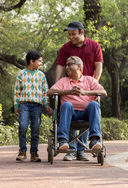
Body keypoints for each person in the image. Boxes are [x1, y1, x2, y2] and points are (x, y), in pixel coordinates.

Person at [55, 21, 103, 161]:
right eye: (69, 35)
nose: (70, 37)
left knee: (88, 114)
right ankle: (71, 149)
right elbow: (59, 66)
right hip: (70, 86)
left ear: (81, 32)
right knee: (68, 108)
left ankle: (81, 150)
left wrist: (94, 85)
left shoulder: (94, 45)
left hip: (88, 86)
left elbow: (98, 66)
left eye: (73, 34)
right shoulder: (65, 48)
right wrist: (58, 84)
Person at [48, 56, 107, 154]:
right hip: (70, 115)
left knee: (94, 104)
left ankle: (95, 140)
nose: (66, 67)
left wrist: (85, 92)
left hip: (86, 114)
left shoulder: (90, 80)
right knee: (66, 105)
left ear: (79, 66)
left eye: (70, 64)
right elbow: (50, 92)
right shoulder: (63, 81)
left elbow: (104, 93)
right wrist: (68, 91)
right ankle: (63, 141)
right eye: (66, 65)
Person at [14, 50, 53, 162]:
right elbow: (17, 91)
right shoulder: (21, 74)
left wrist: (46, 105)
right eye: (39, 61)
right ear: (32, 61)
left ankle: (34, 153)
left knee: (35, 129)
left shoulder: (41, 75)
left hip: (37, 106)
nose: (41, 63)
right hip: (24, 105)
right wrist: (16, 106)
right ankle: (22, 151)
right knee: (23, 127)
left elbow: (45, 91)